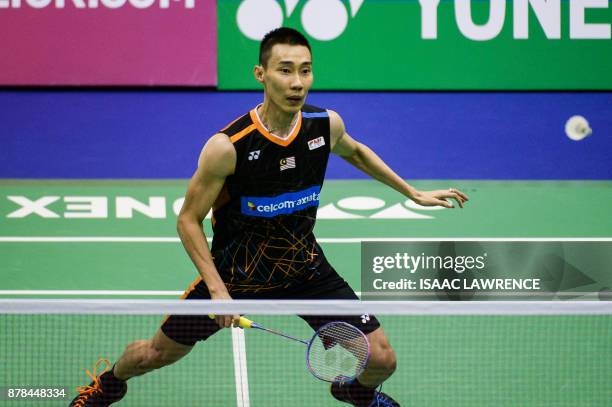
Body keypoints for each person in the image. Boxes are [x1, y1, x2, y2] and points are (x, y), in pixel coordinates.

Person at [69, 27, 468, 407]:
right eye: (285, 70)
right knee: (154, 355)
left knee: (382, 360)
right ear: (261, 74)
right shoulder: (228, 147)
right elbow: (188, 220)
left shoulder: (324, 125)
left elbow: (356, 151)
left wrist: (412, 192)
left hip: (305, 270)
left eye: (305, 70)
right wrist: (218, 291)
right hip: (234, 276)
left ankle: (356, 394)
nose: (298, 82)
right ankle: (109, 384)